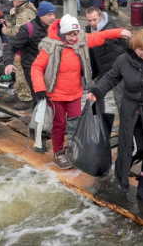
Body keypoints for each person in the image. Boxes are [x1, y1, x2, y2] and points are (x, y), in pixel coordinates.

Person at [87, 29, 143, 203]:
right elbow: (111, 77)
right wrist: (97, 91)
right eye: (141, 49)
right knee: (136, 146)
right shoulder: (123, 60)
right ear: (133, 48)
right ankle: (121, 172)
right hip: (131, 111)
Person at [30, 14, 132, 168]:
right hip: (55, 94)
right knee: (60, 124)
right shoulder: (50, 46)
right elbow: (36, 67)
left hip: (75, 92)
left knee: (76, 123)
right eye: (71, 34)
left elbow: (100, 36)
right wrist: (39, 88)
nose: (75, 37)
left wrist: (120, 32)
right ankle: (58, 152)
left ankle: (73, 150)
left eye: (76, 33)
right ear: (63, 33)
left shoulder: (81, 41)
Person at [1, 1, 56, 108]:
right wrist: (8, 63)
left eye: (54, 14)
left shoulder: (54, 27)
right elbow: (10, 46)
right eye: (49, 15)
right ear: (40, 15)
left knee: (51, 99)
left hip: (49, 69)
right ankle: (37, 123)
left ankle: (49, 122)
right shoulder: (28, 29)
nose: (52, 17)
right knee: (39, 99)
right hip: (32, 69)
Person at [85, 6, 127, 110]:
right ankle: (100, 123)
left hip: (116, 70)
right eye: (89, 20)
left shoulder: (110, 27)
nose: (92, 23)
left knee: (120, 99)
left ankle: (126, 125)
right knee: (97, 97)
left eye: (94, 19)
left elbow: (103, 37)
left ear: (101, 17)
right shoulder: (88, 30)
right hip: (100, 70)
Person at [3, 0, 37, 104]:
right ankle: (19, 94)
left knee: (21, 72)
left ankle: (25, 98)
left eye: (14, 0)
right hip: (26, 47)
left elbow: (18, 32)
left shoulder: (23, 15)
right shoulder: (26, 11)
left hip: (23, 48)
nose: (13, 2)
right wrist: (8, 24)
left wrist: (6, 31)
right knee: (19, 71)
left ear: (17, 2)